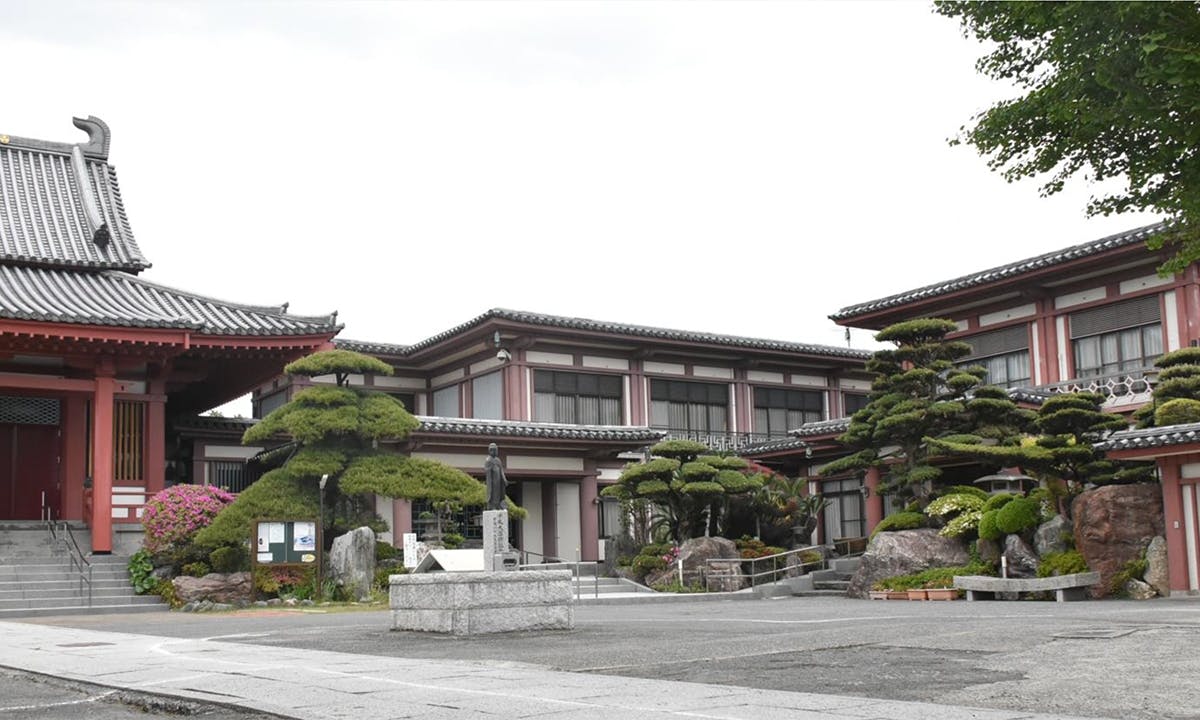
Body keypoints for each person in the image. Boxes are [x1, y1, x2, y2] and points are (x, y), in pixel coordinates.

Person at [484, 443, 509, 511]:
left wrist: (504, 479)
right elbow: (488, 473)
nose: (495, 452)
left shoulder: (498, 460)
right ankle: (492, 505)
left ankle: (498, 505)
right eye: (494, 450)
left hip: (499, 481)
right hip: (492, 481)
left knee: (499, 494)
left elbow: (501, 471)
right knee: (493, 494)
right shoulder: (488, 460)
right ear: (490, 451)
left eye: (496, 450)